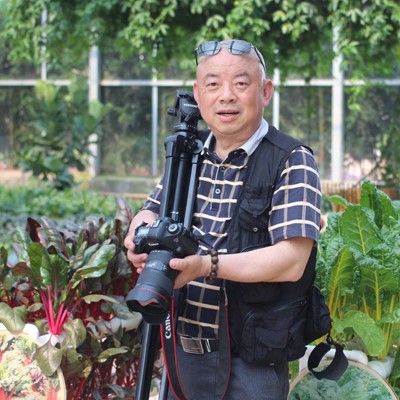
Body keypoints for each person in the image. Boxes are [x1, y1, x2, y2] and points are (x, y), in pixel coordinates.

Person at [124, 39, 322, 400]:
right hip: (181, 350)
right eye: (213, 84)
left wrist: (206, 265)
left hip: (250, 360)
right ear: (199, 94)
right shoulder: (188, 153)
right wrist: (140, 232)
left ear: (265, 91)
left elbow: (292, 260)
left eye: (241, 83)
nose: (226, 95)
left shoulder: (291, 159)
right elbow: (151, 208)